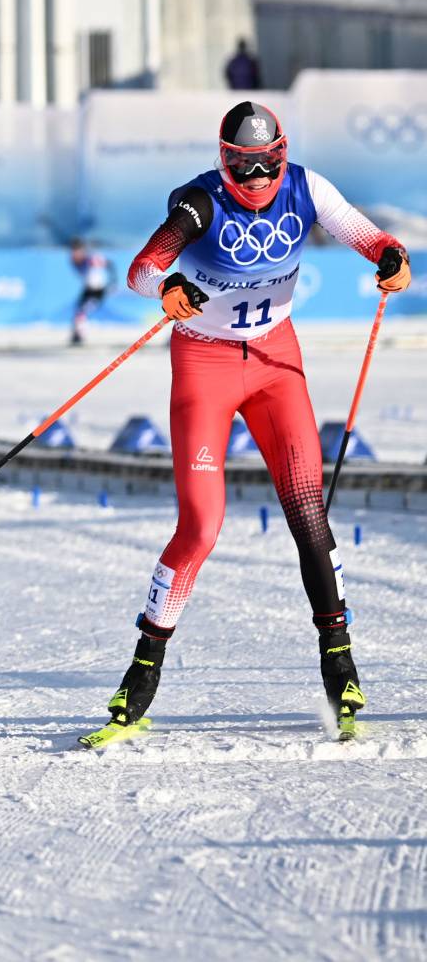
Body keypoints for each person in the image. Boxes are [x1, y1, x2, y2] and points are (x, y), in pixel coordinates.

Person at [84, 101, 410, 748]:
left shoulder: (306, 188)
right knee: (201, 528)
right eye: (243, 164)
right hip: (205, 367)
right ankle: (142, 673)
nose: (258, 178)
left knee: (308, 514)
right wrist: (168, 290)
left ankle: (339, 665)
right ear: (224, 159)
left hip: (273, 362)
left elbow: (368, 236)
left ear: (282, 154)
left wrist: (392, 257)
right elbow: (143, 269)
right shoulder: (201, 204)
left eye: (266, 163)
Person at [68, 239, 110, 346]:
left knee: (82, 312)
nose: (74, 254)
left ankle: (79, 335)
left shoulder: (90, 259)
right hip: (88, 290)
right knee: (78, 311)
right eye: (73, 251)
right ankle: (77, 334)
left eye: (77, 251)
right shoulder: (75, 261)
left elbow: (107, 264)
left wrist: (112, 281)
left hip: (97, 291)